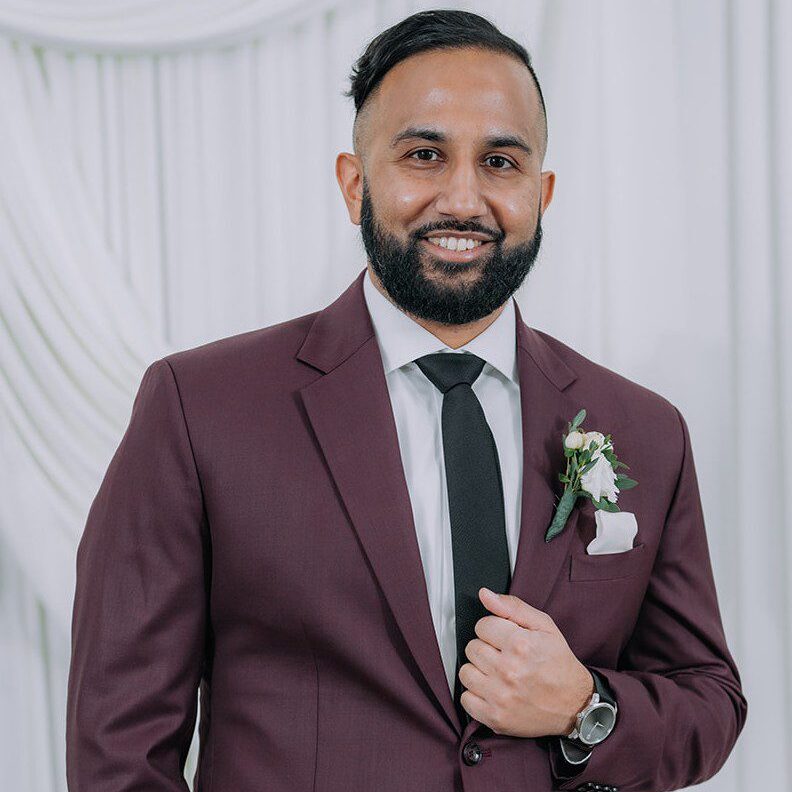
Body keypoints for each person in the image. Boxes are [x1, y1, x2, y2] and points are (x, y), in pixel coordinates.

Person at [66, 9, 746, 792]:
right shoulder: (198, 408)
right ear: (355, 183)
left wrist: (583, 707)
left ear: (542, 192)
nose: (463, 198)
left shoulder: (646, 430)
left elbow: (709, 700)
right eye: (424, 154)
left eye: (500, 161)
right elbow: (119, 743)